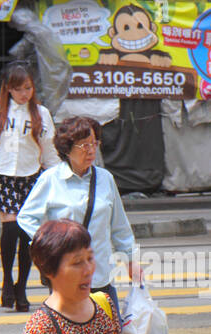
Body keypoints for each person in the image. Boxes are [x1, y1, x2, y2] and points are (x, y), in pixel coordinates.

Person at [17, 116, 138, 319]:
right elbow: (26, 217)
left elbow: (119, 226)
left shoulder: (105, 179)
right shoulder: (51, 179)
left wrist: (131, 260)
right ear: (67, 148)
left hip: (101, 278)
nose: (91, 150)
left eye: (94, 144)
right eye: (84, 145)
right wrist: (51, 242)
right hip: (66, 278)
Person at [0, 63, 59, 312]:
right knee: (11, 228)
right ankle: (7, 280)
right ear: (8, 89)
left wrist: (59, 180)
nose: (23, 93)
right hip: (3, 176)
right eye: (18, 89)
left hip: (31, 177)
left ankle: (21, 286)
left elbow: (50, 152)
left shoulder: (41, 113)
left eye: (27, 87)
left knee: (27, 234)